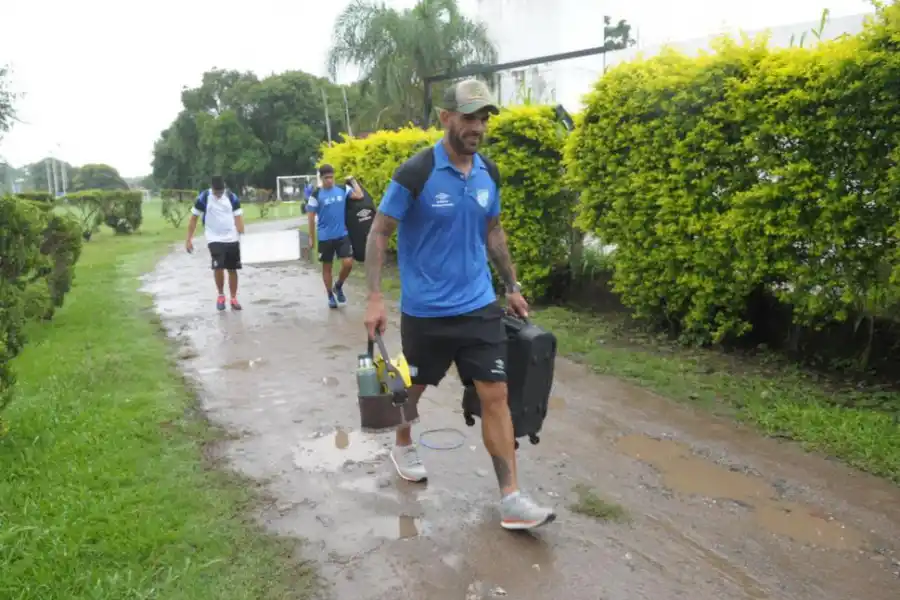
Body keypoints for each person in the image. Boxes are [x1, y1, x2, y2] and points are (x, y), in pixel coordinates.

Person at [363, 79, 556, 530]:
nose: (479, 126)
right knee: (413, 388)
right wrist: (374, 297)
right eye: (470, 117)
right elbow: (379, 232)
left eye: (484, 117)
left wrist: (511, 284)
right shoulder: (416, 172)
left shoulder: (488, 172)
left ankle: (511, 498)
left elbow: (494, 230)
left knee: (496, 393)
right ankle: (403, 441)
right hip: (427, 309)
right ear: (446, 118)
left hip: (478, 305)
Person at [306, 164, 364, 309]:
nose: (330, 181)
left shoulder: (342, 189)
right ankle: (330, 296)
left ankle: (338, 286)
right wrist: (311, 237)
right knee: (327, 268)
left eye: (331, 177)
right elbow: (310, 217)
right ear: (321, 178)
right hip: (325, 237)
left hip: (342, 235)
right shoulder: (315, 195)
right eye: (326, 178)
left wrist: (353, 181)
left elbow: (360, 195)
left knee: (348, 263)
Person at [185, 175, 245, 311]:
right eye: (216, 192)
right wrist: (188, 239)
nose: (218, 195)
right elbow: (193, 218)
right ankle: (221, 295)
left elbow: (238, 217)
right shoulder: (204, 197)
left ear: (224, 188)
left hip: (232, 237)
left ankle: (234, 298)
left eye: (220, 192)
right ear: (212, 189)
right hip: (214, 237)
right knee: (218, 267)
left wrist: (242, 234)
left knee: (232, 269)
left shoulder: (232, 197)